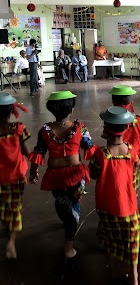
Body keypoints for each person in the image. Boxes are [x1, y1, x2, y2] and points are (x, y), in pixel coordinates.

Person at [28, 91, 93, 258]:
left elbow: (39, 152)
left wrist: (33, 170)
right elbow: (89, 147)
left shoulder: (45, 130)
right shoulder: (80, 128)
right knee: (74, 205)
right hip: (76, 176)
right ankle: (68, 247)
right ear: (71, 110)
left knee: (61, 200)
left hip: (54, 176)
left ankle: (67, 217)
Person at [89, 106, 140, 285]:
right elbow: (135, 173)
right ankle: (134, 275)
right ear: (126, 129)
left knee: (112, 237)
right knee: (132, 240)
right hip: (129, 206)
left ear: (105, 128)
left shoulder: (101, 154)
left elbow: (93, 174)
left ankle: (112, 265)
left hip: (107, 206)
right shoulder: (132, 151)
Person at [0, 93, 30, 259]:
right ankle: (11, 241)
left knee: (3, 203)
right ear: (11, 111)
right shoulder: (18, 129)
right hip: (16, 176)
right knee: (15, 205)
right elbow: (25, 149)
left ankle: (6, 224)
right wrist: (33, 163)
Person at [108, 84, 140, 196]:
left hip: (115, 160)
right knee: (133, 187)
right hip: (134, 158)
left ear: (113, 103)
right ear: (130, 103)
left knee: (118, 186)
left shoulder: (110, 120)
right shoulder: (137, 120)